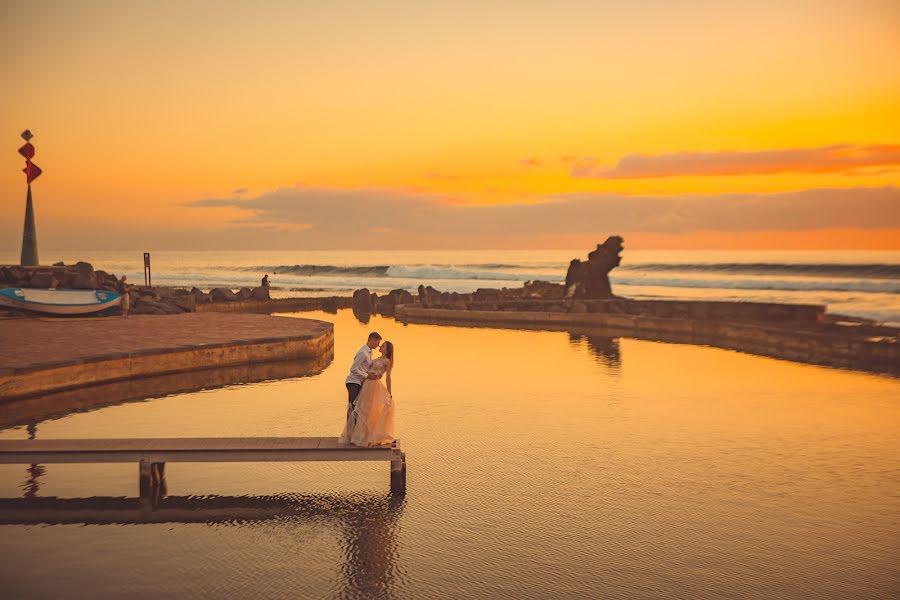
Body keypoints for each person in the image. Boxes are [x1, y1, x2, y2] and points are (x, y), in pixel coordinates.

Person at [340, 340, 395, 446]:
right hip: (366, 383)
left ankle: (367, 436)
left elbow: (388, 377)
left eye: (383, 346)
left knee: (369, 410)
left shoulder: (387, 361)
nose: (380, 346)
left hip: (374, 385)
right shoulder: (376, 358)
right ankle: (357, 435)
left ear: (387, 350)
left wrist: (389, 392)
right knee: (361, 408)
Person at [344, 332, 382, 418]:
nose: (378, 345)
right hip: (353, 382)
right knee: (353, 408)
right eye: (377, 342)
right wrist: (367, 375)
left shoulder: (369, 352)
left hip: (359, 382)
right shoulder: (363, 352)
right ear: (372, 340)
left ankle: (354, 429)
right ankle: (350, 430)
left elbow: (363, 368)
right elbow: (353, 369)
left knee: (357, 408)